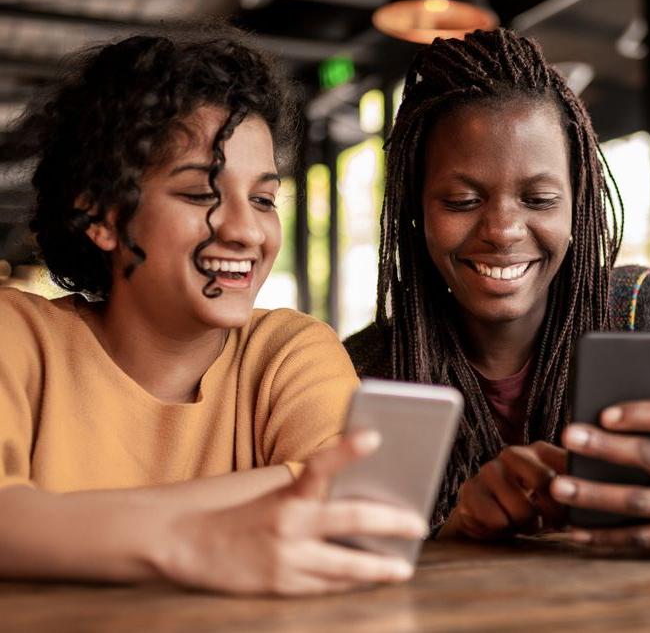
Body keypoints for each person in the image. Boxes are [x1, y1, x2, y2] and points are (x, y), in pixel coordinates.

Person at [0, 30, 426, 595]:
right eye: (201, 194)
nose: (246, 230)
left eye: (264, 199)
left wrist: (52, 521)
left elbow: (348, 503)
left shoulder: (289, 353)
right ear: (100, 217)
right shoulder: (19, 337)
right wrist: (195, 541)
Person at [345, 27, 650, 557]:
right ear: (415, 212)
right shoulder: (359, 376)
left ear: (577, 206)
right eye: (462, 201)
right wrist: (453, 534)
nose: (503, 230)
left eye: (538, 199)